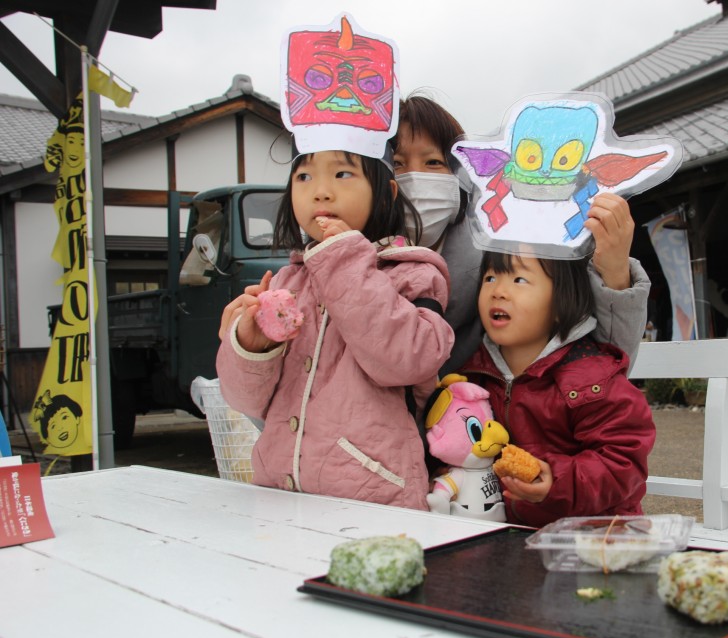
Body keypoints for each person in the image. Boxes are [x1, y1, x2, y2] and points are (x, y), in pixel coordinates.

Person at [216, 148, 455, 510]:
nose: (321, 192)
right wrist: (251, 346)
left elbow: (410, 361)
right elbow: (245, 401)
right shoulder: (287, 280)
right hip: (279, 495)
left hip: (375, 501)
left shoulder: (413, 275)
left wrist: (342, 258)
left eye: (342, 174)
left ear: (386, 193)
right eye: (304, 177)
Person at [392, 94, 651, 376]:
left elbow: (605, 365)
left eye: (433, 163)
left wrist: (614, 270)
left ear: (463, 174)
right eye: (397, 163)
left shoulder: (501, 249)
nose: (414, 177)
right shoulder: (353, 254)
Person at [458, 250, 656, 527]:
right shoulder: (473, 375)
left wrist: (558, 482)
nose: (498, 291)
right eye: (490, 277)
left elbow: (623, 460)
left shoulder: (591, 378)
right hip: (512, 537)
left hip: (596, 537)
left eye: (519, 280)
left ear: (561, 301)